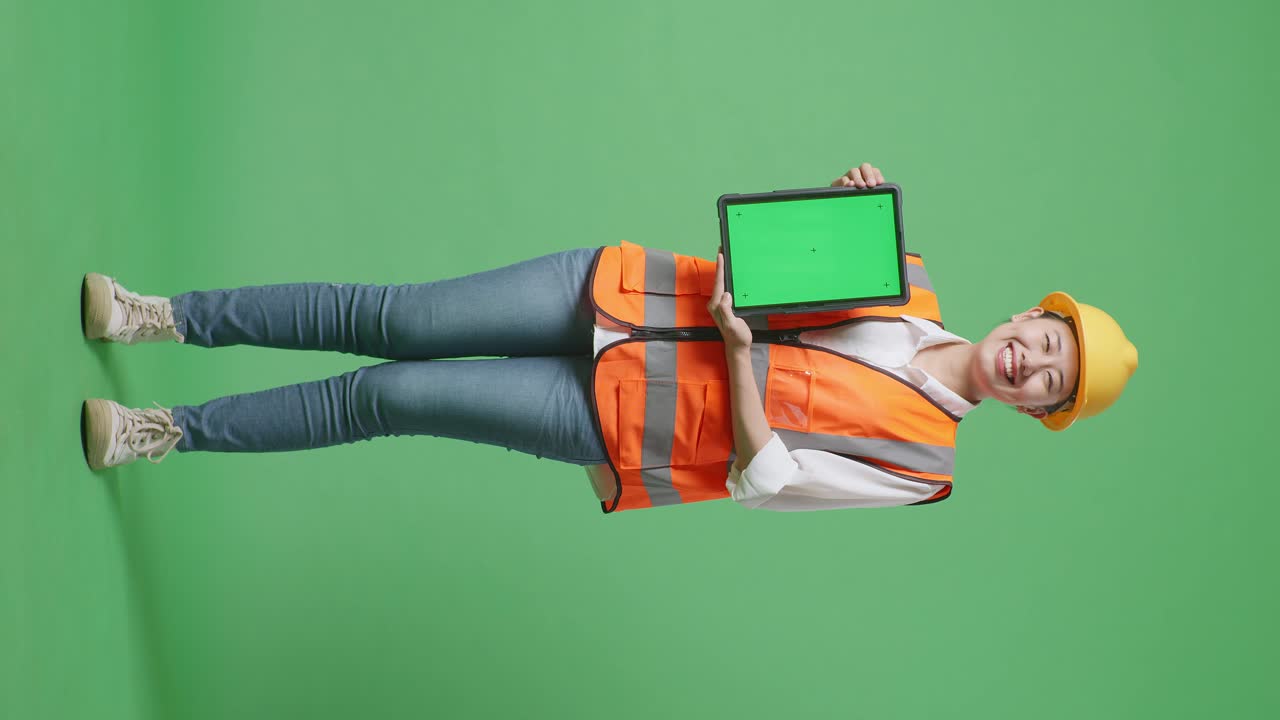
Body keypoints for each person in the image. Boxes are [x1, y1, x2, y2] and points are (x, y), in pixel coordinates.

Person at [80, 162, 1138, 514]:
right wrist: (828, 206)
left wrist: (732, 354)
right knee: (392, 316)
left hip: (620, 417)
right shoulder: (902, 274)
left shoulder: (923, 468)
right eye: (1046, 340)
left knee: (388, 398)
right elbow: (772, 274)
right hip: (621, 292)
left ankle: (163, 427)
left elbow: (772, 478)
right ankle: (162, 316)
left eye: (1050, 381)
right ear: (1022, 319)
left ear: (1036, 410)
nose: (1032, 362)